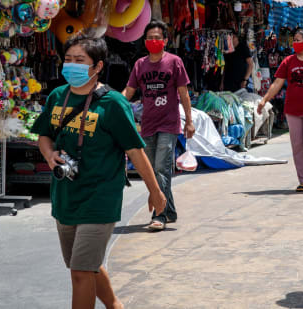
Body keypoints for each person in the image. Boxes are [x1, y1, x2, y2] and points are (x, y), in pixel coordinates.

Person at [32, 33, 167, 309]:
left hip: (100, 197)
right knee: (82, 265)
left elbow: (135, 150)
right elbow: (43, 135)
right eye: (68, 59)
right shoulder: (58, 96)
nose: (71, 65)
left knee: (81, 272)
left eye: (79, 60)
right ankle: (115, 305)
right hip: (65, 196)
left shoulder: (113, 103)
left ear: (97, 67)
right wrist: (49, 155)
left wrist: (156, 191)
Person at [122, 20, 195, 231]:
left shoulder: (174, 62)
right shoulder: (140, 65)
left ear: (165, 41)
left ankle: (160, 215)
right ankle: (169, 210)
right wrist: (114, 103)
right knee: (152, 170)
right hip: (148, 124)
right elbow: (129, 90)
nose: (154, 41)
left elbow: (183, 93)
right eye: (150, 38)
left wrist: (189, 121)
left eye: (157, 38)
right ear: (145, 41)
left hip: (169, 124)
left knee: (162, 168)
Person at [257, 28, 303, 192]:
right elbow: (277, 83)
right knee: (297, 145)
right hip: (292, 110)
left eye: (298, 40)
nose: (295, 43)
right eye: (294, 40)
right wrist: (264, 100)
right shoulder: (288, 61)